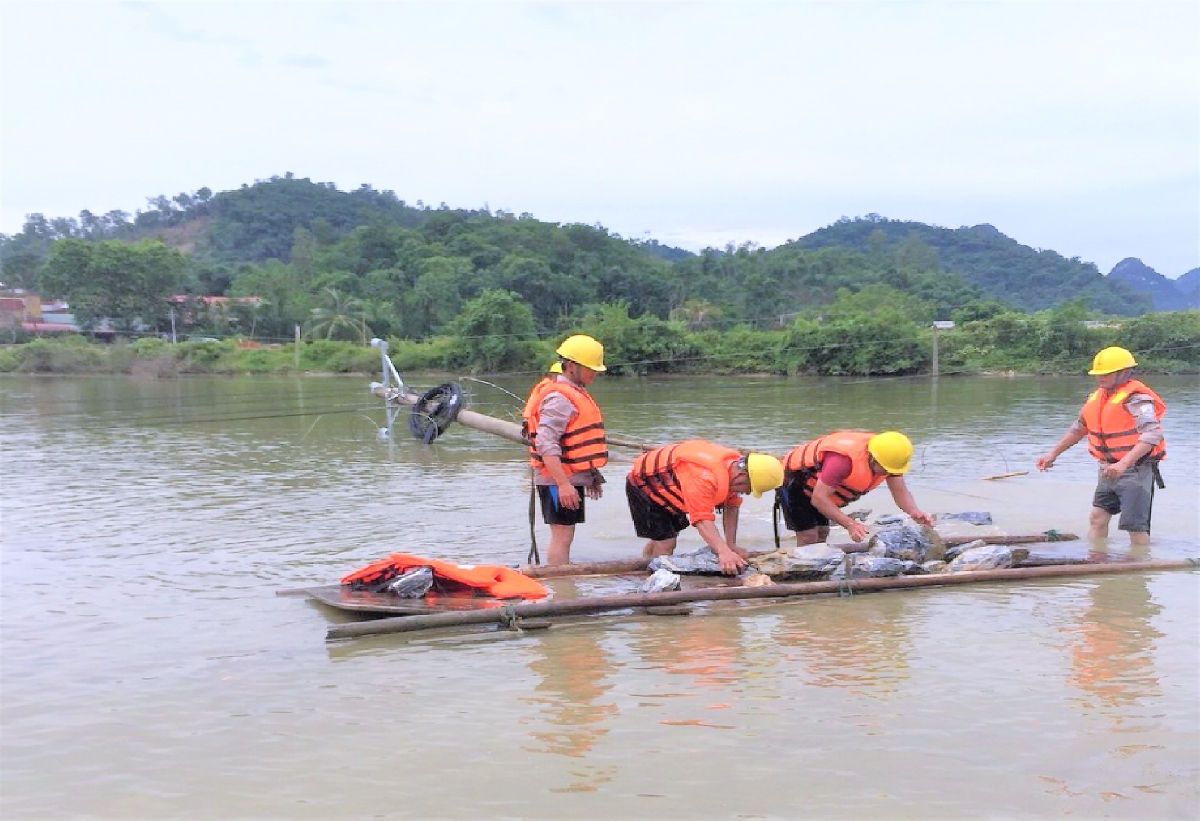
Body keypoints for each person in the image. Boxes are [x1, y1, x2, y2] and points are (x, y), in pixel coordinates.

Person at [1036, 346, 1166, 546]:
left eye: (1106, 373)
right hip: (1107, 469)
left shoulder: (1138, 399)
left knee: (1135, 527)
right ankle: (1096, 558)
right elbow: (1078, 428)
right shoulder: (1097, 396)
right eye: (1098, 374)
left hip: (1135, 470)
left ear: (1124, 372)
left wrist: (1123, 464)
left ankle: (1139, 569)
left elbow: (1153, 433)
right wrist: (1053, 454)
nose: (1100, 378)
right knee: (1097, 517)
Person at [626, 439, 784, 575]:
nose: (747, 493)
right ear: (742, 477)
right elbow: (701, 520)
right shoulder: (704, 477)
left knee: (664, 535)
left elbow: (732, 506)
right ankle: (656, 578)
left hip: (674, 484)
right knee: (667, 542)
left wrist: (730, 545)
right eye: (748, 490)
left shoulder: (735, 468)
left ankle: (647, 561)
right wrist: (723, 552)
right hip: (645, 484)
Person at [521, 334, 608, 565]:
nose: (595, 373)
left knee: (566, 534)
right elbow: (546, 443)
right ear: (571, 366)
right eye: (590, 368)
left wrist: (591, 476)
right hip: (556, 480)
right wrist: (563, 484)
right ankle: (561, 588)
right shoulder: (559, 397)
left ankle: (563, 584)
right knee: (562, 536)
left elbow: (575, 443)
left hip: (568, 479)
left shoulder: (575, 391)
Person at [777, 430, 933, 547]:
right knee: (808, 535)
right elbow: (819, 498)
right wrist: (850, 524)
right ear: (872, 457)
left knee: (823, 532)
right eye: (885, 469)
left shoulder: (889, 460)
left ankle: (817, 566)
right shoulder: (842, 461)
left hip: (819, 487)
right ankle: (803, 577)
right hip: (794, 481)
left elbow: (900, 491)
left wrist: (914, 511)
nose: (888, 473)